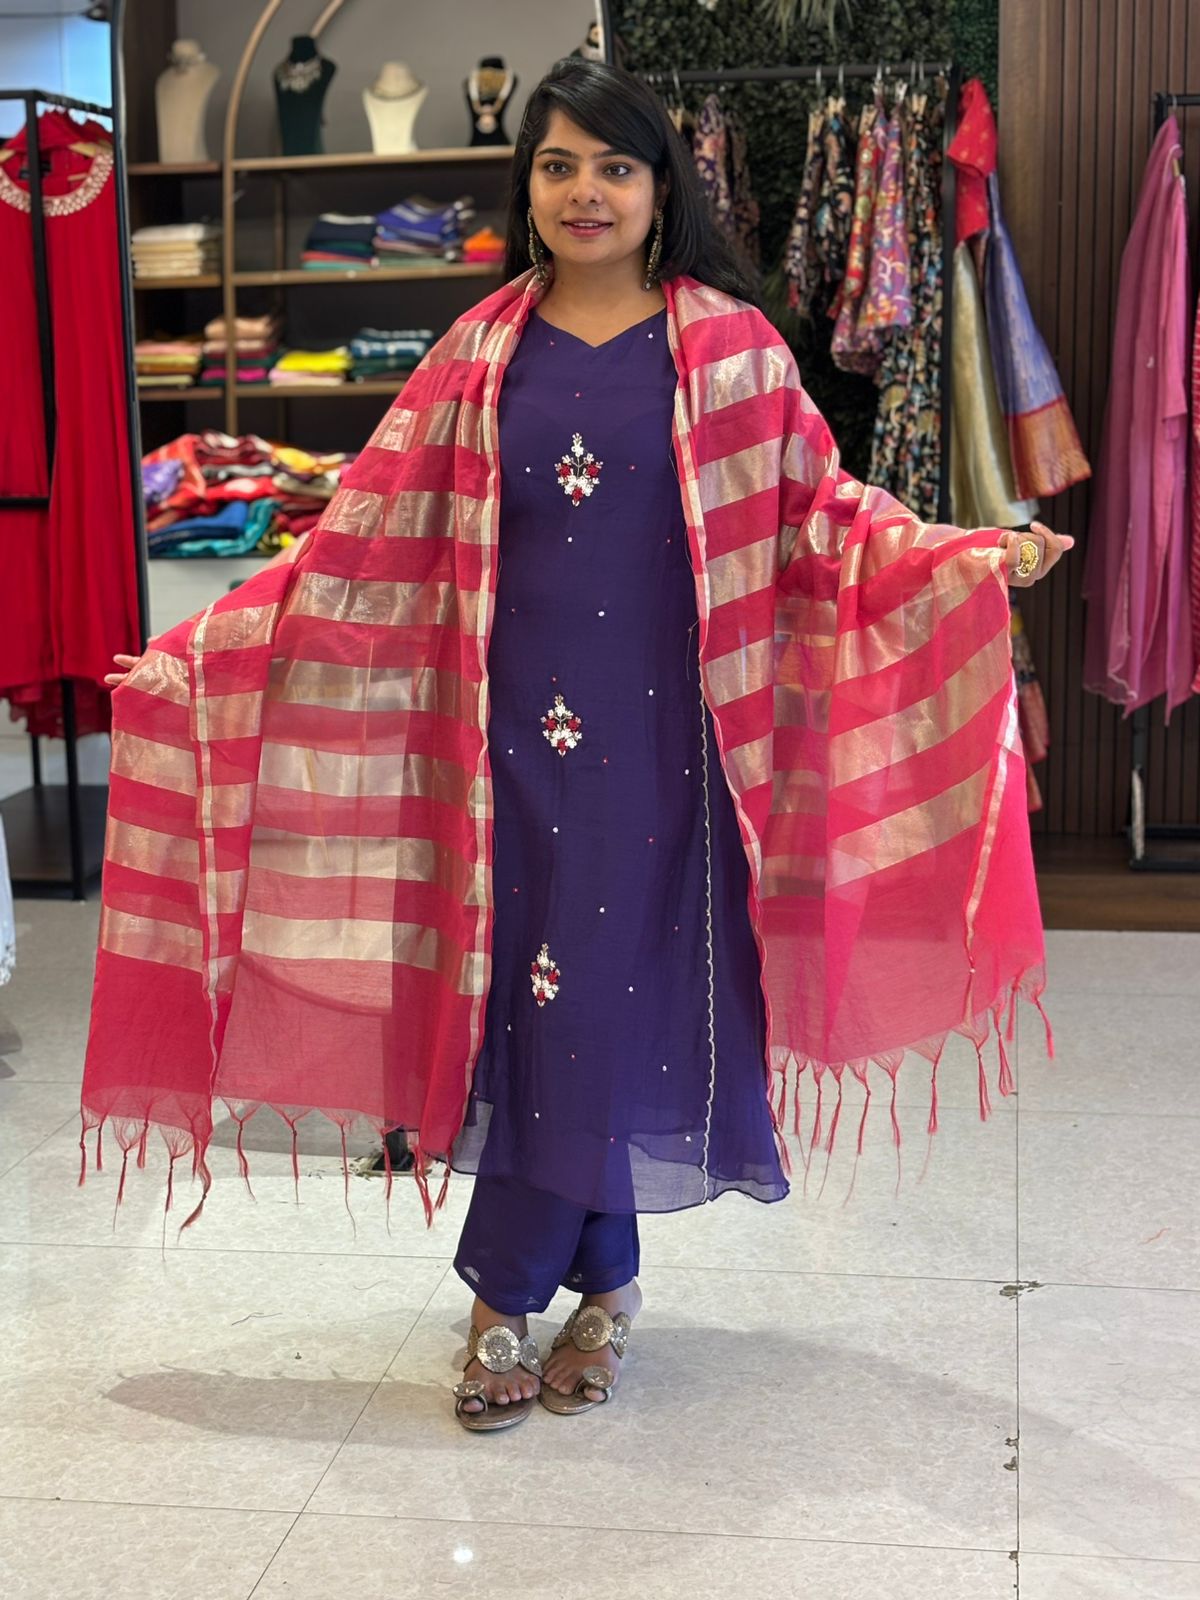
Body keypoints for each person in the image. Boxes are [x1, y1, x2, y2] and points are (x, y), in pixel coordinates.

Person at [95, 58, 1071, 1436]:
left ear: (663, 187)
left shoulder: (729, 348)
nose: (586, 192)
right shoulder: (476, 353)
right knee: (541, 1003)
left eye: (615, 166)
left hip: (666, 751)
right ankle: (605, 1289)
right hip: (502, 755)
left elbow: (824, 519)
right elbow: (360, 538)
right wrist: (204, 650)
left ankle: (502, 1295)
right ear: (529, 186)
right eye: (559, 166)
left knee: (597, 1001)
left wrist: (964, 556)